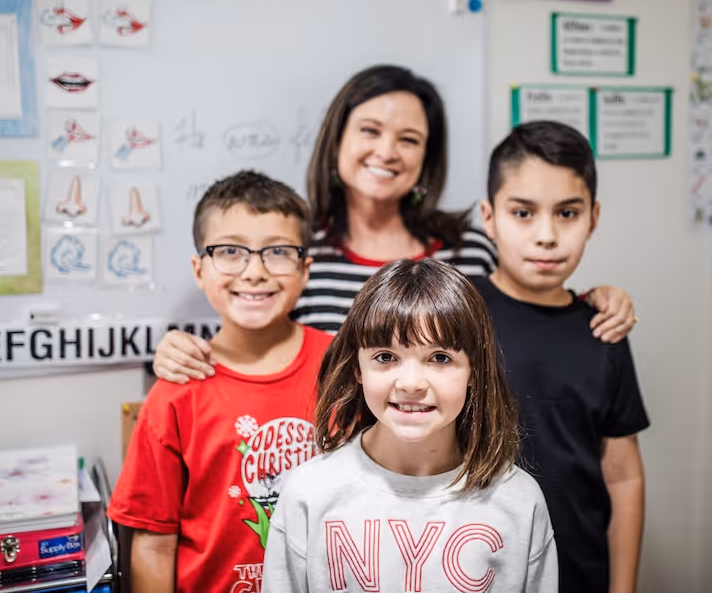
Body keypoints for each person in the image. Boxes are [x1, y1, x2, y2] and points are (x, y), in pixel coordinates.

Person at [152, 65, 637, 383]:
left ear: (426, 158)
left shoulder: (468, 249)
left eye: (408, 139)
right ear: (336, 138)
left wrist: (594, 298)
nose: (386, 152)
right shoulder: (295, 253)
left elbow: (525, 312)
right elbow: (253, 340)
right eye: (369, 131)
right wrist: (179, 350)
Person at [262, 259, 558, 592]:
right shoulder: (308, 493)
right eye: (386, 357)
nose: (412, 383)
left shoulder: (518, 501)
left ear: (474, 369)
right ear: (357, 368)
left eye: (440, 358)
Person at [107, 171, 333, 593]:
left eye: (278, 252)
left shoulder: (343, 369)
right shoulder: (176, 392)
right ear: (199, 269)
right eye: (231, 251)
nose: (255, 271)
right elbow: (154, 546)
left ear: (305, 270)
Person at [476, 121, 649, 593]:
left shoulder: (604, 328)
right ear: (489, 217)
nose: (547, 235)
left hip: (577, 570)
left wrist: (623, 587)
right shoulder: (456, 315)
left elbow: (623, 475)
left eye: (567, 213)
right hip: (472, 568)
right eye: (524, 213)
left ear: (593, 217)